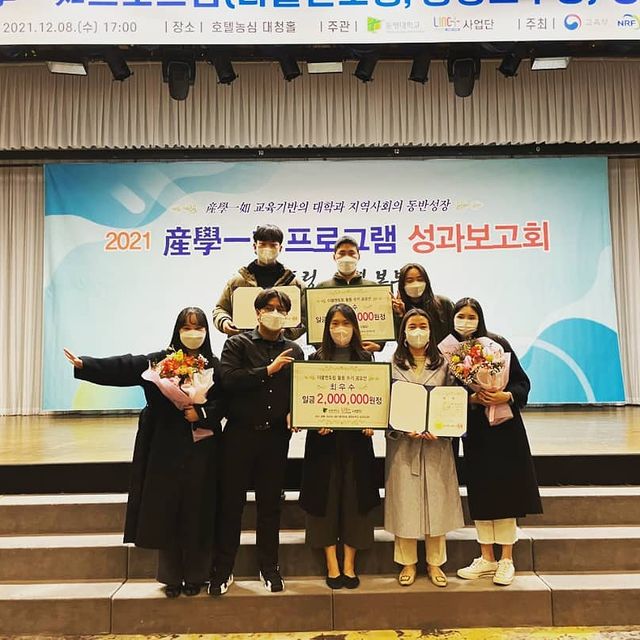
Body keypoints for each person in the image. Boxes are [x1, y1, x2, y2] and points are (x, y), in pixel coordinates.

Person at [63, 307, 224, 598]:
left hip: (202, 448)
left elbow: (224, 402)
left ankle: (197, 575)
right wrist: (86, 365)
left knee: (198, 509)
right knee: (167, 509)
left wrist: (201, 413)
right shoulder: (160, 361)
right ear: (177, 330)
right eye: (187, 327)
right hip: (164, 446)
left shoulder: (214, 365)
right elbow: (125, 366)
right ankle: (171, 577)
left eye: (198, 327)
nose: (193, 333)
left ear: (206, 331)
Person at [210, 289, 305, 596]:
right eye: (269, 308)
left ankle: (269, 567)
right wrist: (268, 370)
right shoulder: (237, 343)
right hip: (239, 435)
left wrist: (295, 410)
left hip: (275, 437)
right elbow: (228, 380)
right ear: (258, 312)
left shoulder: (294, 350)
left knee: (270, 506)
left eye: (281, 309)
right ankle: (223, 569)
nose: (275, 313)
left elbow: (299, 390)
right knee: (231, 504)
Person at [452, 297, 542, 586]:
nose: (466, 321)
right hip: (475, 432)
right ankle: (486, 558)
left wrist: (506, 396)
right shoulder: (451, 354)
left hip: (505, 430)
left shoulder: (497, 345)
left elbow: (521, 383)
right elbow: (447, 393)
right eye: (461, 316)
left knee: (506, 491)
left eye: (471, 316)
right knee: (481, 492)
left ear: (480, 319)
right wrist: (471, 399)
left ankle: (506, 559)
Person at [299, 303, 380, 589]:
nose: (340, 329)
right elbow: (307, 401)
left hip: (357, 442)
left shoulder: (367, 358)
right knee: (325, 499)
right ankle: (332, 564)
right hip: (323, 442)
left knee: (356, 501)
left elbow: (375, 398)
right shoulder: (314, 359)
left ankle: (349, 564)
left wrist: (373, 419)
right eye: (334, 324)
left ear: (355, 327)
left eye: (346, 323)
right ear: (326, 328)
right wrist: (313, 421)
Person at [385, 309, 464, 588]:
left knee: (437, 504)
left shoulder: (446, 365)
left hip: (435, 445)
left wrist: (443, 429)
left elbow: (454, 404)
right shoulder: (390, 365)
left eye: (423, 326)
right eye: (412, 326)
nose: (418, 331)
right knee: (404, 503)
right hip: (403, 445)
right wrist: (398, 428)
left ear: (431, 331)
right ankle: (407, 562)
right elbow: (383, 407)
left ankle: (435, 563)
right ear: (403, 332)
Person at [212, 224, 306, 340]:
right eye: (262, 244)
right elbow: (221, 309)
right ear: (254, 246)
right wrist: (224, 322)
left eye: (273, 245)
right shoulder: (238, 281)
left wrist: (289, 332)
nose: (267, 249)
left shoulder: (294, 283)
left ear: (280, 248)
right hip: (243, 344)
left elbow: (306, 316)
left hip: (281, 345)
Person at [316, 235, 384, 353]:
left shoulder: (372, 287)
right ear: (334, 257)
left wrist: (379, 345)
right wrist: (321, 347)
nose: (346, 257)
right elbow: (314, 322)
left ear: (358, 256)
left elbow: (383, 319)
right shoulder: (322, 288)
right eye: (342, 253)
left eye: (351, 253)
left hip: (364, 354)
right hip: (330, 355)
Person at [391, 263, 454, 346]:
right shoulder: (397, 309)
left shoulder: (444, 303)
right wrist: (400, 316)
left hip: (444, 353)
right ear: (402, 285)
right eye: (409, 281)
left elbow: (455, 333)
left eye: (420, 279)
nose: (415, 284)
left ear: (426, 282)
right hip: (413, 354)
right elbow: (401, 343)